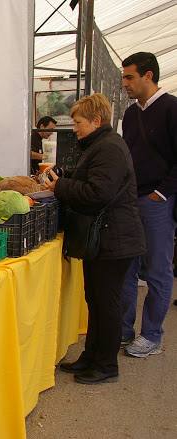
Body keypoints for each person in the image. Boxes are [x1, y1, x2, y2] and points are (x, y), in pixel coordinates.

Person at [45, 93, 145, 384]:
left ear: (96, 120)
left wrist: (61, 186)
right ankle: (91, 356)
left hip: (113, 239)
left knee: (106, 303)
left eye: (78, 123)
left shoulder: (109, 148)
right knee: (96, 301)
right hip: (106, 238)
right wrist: (66, 173)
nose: (74, 128)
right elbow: (92, 176)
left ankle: (106, 365)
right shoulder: (101, 145)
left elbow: (96, 193)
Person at [119, 52, 177, 357]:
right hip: (131, 200)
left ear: (148, 76)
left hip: (158, 202)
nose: (124, 82)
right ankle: (124, 330)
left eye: (129, 77)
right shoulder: (131, 114)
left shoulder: (171, 108)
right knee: (128, 266)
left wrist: (162, 194)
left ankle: (152, 334)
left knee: (157, 270)